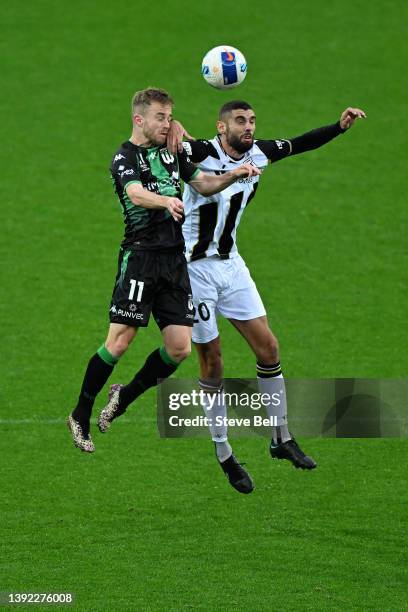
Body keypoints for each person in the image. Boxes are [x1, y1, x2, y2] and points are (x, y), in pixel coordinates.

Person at [167, 101, 366, 493]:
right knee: (213, 363)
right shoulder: (200, 152)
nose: (249, 127)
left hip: (231, 266)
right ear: (220, 127)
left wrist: (338, 127)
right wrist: (173, 125)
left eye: (252, 120)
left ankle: (281, 437)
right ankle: (224, 452)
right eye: (240, 121)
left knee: (269, 348)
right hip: (193, 271)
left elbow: (299, 143)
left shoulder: (259, 152)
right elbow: (165, 142)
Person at [67, 88, 260, 453]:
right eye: (161, 117)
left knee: (179, 348)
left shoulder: (170, 153)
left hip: (174, 262)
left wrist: (233, 174)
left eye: (170, 117)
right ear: (139, 118)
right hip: (140, 259)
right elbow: (137, 194)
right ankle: (80, 413)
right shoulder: (124, 157)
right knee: (119, 342)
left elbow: (202, 183)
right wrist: (166, 200)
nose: (167, 123)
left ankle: (123, 398)